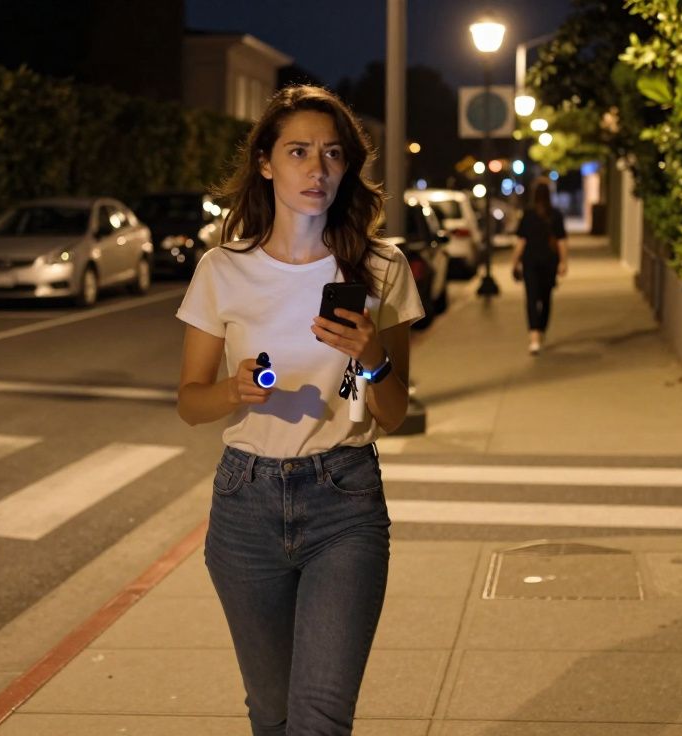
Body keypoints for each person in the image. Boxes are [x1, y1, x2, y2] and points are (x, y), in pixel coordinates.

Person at [175, 85, 424, 735]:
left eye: (332, 154)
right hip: (245, 504)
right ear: (265, 162)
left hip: (344, 502)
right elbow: (189, 403)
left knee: (319, 718)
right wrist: (233, 392)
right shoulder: (221, 270)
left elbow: (393, 413)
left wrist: (372, 356)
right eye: (298, 151)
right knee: (273, 714)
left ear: (347, 169)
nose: (317, 170)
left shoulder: (381, 268)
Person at [511, 177, 569, 354]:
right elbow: (561, 241)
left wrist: (514, 262)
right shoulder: (556, 215)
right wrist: (564, 262)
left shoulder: (528, 215)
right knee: (545, 298)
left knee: (531, 298)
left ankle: (534, 336)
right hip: (549, 261)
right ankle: (541, 331)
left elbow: (521, 241)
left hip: (530, 262)